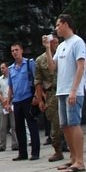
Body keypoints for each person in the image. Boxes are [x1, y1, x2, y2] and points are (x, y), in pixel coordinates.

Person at [54, 15, 86, 172]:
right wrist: (47, 48)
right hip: (61, 90)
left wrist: (74, 90)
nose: (56, 28)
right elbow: (53, 67)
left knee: (74, 124)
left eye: (58, 25)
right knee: (65, 126)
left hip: (73, 91)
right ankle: (73, 159)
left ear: (66, 24)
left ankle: (80, 161)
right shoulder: (61, 46)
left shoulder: (77, 42)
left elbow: (81, 67)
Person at [36, 34, 65, 162]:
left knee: (70, 122)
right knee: (55, 123)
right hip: (51, 93)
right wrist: (40, 100)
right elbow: (38, 81)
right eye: (54, 42)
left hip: (65, 90)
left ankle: (71, 146)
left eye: (57, 42)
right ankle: (57, 150)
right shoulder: (40, 60)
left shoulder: (63, 54)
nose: (56, 44)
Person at [8, 44, 40, 161]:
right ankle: (22, 153)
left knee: (32, 126)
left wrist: (37, 95)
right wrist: (8, 101)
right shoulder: (11, 68)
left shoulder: (29, 64)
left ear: (21, 50)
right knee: (19, 128)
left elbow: (37, 80)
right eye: (12, 51)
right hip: (17, 100)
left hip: (28, 98)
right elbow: (10, 86)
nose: (15, 52)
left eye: (16, 50)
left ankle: (35, 152)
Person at [0, 63, 14, 152]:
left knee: (14, 125)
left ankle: (15, 144)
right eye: (1, 68)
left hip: (12, 101)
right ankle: (2, 145)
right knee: (3, 126)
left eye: (3, 68)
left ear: (7, 68)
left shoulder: (12, 78)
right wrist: (4, 102)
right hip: (2, 103)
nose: (2, 69)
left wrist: (9, 101)